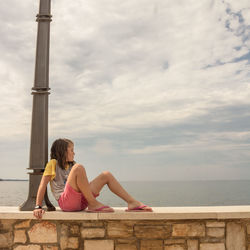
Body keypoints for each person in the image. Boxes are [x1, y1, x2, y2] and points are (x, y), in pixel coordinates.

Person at [33, 138, 152, 219]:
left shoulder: (72, 165)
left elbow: (82, 186)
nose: (74, 153)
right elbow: (43, 185)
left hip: (81, 202)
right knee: (79, 167)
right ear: (63, 152)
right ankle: (93, 204)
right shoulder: (53, 164)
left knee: (106, 175)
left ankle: (132, 202)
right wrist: (38, 206)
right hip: (67, 203)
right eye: (72, 150)